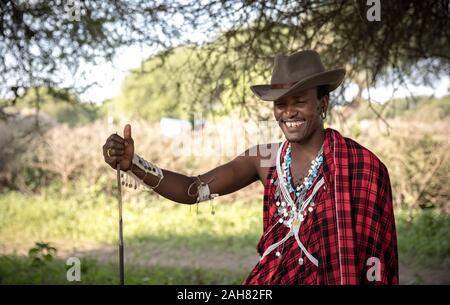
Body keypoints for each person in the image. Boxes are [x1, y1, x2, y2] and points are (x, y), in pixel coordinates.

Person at [102, 50, 398, 284]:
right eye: (280, 104)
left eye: (299, 101)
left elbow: (376, 257)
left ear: (322, 104)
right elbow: (194, 190)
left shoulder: (362, 167)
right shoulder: (263, 160)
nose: (288, 112)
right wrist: (135, 164)